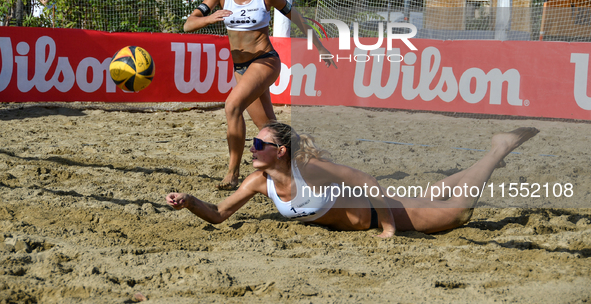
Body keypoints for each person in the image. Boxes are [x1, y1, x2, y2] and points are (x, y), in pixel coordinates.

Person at [166, 122, 539, 238]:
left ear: (280, 151)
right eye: (253, 142)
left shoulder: (308, 169)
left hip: (380, 212)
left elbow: (366, 180)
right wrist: (189, 201)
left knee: (457, 214)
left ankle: (496, 151)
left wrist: (389, 229)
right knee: (433, 196)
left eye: (260, 143)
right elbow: (218, 214)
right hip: (374, 212)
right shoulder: (257, 182)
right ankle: (487, 158)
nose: (253, 147)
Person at [183, 0, 336, 190]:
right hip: (241, 69)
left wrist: (319, 47)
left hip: (265, 60)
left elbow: (297, 17)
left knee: (232, 105)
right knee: (268, 128)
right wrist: (211, 17)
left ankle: (232, 173)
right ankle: (313, 161)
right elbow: (188, 25)